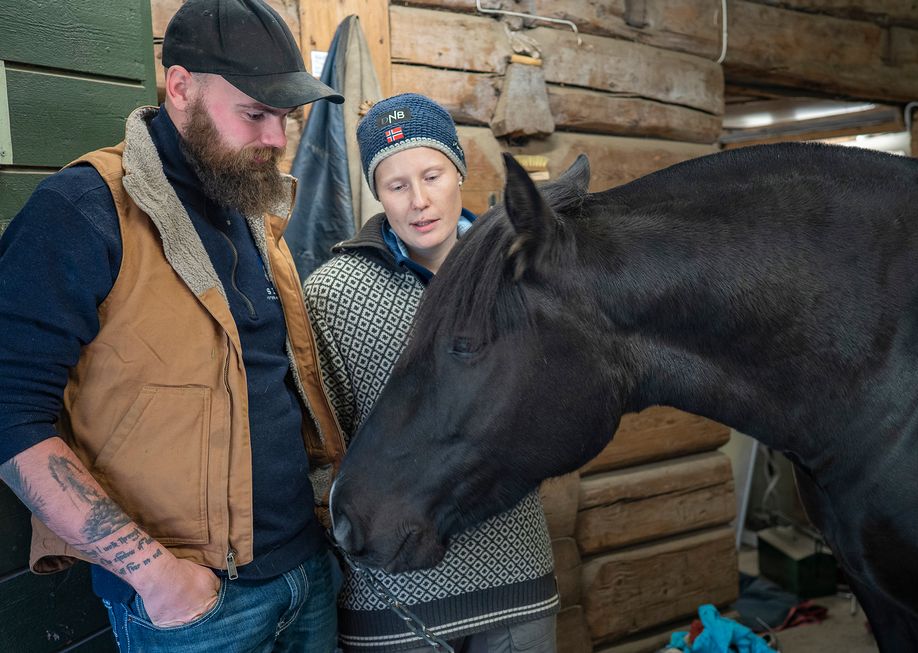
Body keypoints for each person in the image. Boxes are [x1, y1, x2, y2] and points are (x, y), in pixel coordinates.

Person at [0, 1, 348, 651]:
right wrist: (157, 576)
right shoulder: (85, 208)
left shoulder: (249, 207)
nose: (276, 139)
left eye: (285, 118)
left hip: (306, 572)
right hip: (193, 606)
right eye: (255, 113)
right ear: (181, 87)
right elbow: (10, 411)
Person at [304, 93, 559, 652]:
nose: (419, 200)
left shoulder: (518, 274)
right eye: (397, 185)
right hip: (390, 596)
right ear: (378, 194)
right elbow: (323, 445)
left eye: (432, 175)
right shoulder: (333, 293)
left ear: (459, 171)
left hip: (516, 574)